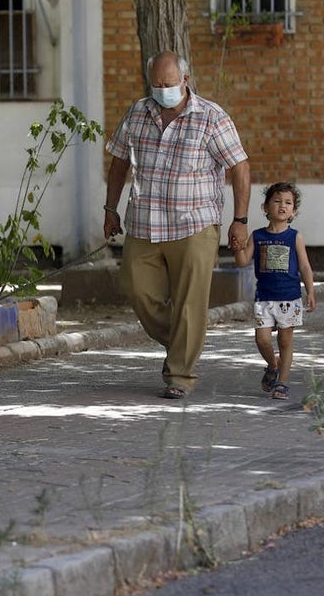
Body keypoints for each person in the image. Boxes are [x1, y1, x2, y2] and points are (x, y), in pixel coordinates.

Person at [103, 51, 251, 400]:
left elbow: (240, 167)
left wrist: (240, 220)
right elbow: (119, 161)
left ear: (185, 79)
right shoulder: (137, 113)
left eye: (168, 84)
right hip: (145, 222)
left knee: (190, 301)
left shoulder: (211, 117)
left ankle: (181, 375)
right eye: (156, 85)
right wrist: (110, 208)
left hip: (194, 224)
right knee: (137, 288)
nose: (162, 91)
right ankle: (186, 340)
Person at [232, 182, 316, 400]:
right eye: (277, 201)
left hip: (289, 297)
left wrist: (310, 291)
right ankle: (272, 364)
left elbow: (305, 266)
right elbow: (242, 261)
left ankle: (282, 383)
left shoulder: (295, 237)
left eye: (288, 203)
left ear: (293, 211)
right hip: (264, 298)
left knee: (285, 341)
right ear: (265, 207)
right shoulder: (258, 236)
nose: (282, 206)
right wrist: (237, 246)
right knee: (262, 340)